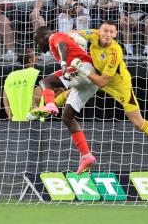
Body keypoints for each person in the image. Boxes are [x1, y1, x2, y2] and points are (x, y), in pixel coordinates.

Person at [70, 21, 148, 170]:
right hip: (99, 76)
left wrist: (82, 68)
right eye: (105, 31)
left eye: (111, 32)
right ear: (99, 31)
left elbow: (102, 82)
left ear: (115, 34)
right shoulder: (95, 35)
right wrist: (70, 36)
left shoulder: (115, 52)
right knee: (73, 87)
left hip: (120, 86)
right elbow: (78, 32)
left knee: (137, 122)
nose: (108, 35)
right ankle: (47, 105)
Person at [31, 26, 99, 174]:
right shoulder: (66, 40)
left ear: (42, 38)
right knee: (67, 117)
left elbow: (62, 45)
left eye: (37, 43)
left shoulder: (54, 37)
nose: (38, 47)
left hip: (82, 69)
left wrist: (63, 65)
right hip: (91, 82)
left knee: (45, 82)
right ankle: (86, 155)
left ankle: (49, 105)